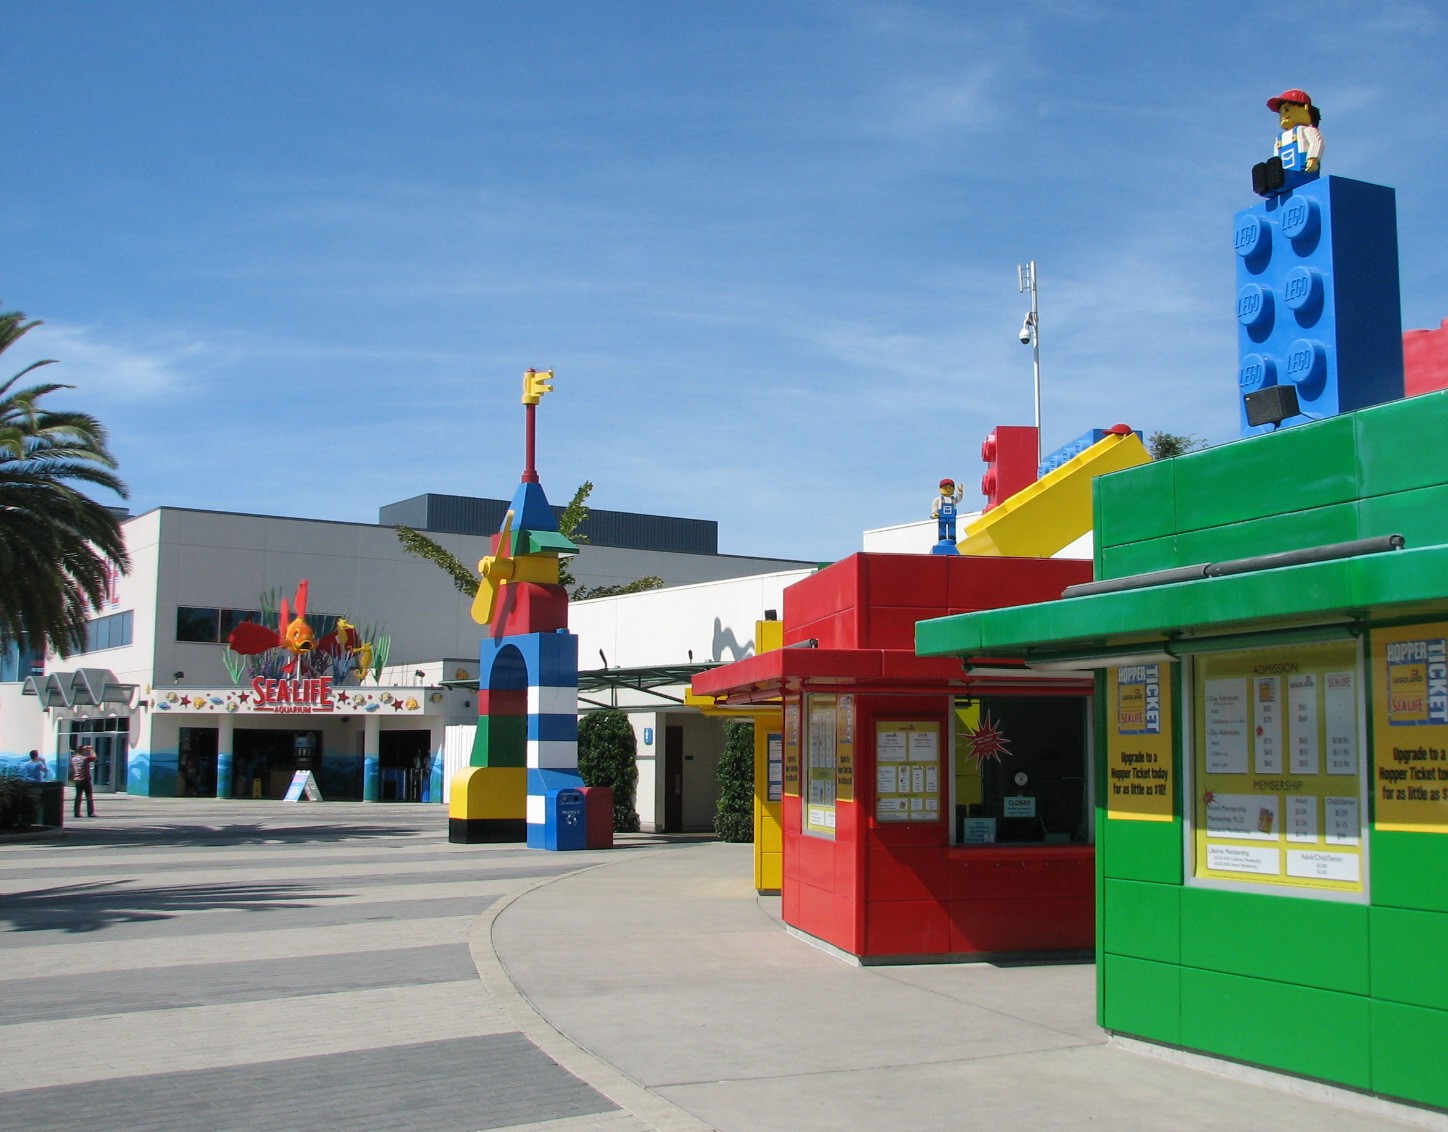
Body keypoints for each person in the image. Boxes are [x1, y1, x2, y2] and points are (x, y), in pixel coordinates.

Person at [1267, 88, 1323, 175]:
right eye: (1280, 112)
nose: (1283, 114)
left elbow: (1316, 142)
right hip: (1284, 174)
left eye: (1287, 109)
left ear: (1305, 108)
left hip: (1304, 170)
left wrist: (1313, 158)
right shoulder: (1280, 139)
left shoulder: (1307, 130)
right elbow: (1276, 157)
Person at [931, 478, 965, 543]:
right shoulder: (938, 499)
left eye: (949, 488)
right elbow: (934, 506)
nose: (947, 489)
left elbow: (959, 499)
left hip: (951, 516)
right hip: (942, 516)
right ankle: (942, 536)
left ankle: (952, 536)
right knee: (942, 525)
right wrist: (934, 512)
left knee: (952, 525)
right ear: (940, 489)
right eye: (945, 488)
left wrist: (960, 492)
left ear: (953, 489)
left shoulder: (953, 499)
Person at [21, 750, 48, 825]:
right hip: (36, 783)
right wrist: (44, 762)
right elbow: (45, 771)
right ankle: (36, 818)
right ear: (36, 756)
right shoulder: (39, 764)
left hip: (27, 783)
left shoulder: (25, 764)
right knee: (38, 800)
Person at [70, 744, 97, 818]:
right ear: (82, 751)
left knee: (78, 796)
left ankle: (76, 812)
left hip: (77, 779)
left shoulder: (73, 759)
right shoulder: (85, 759)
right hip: (85, 779)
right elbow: (94, 757)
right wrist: (91, 749)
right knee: (89, 796)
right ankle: (90, 812)